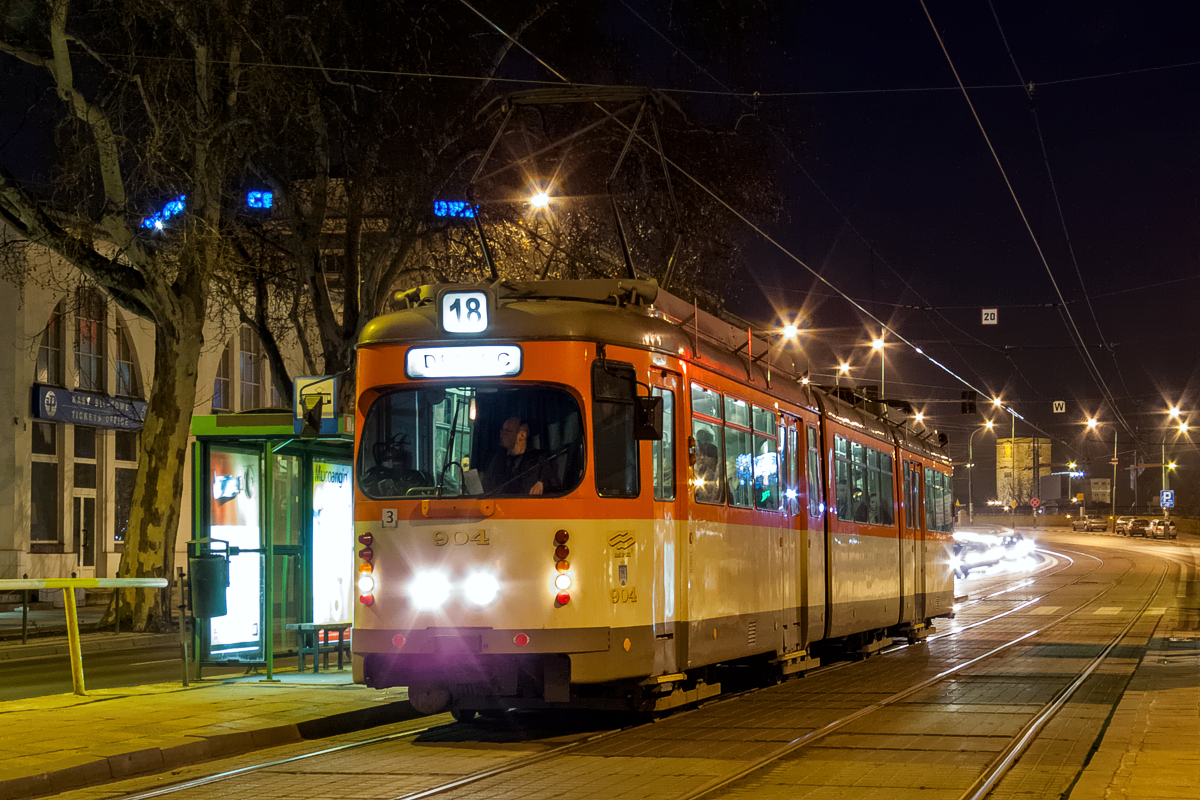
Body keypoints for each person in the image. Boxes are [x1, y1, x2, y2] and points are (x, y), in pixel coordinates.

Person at [484, 417, 548, 495]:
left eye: (507, 431)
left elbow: (553, 482)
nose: (502, 435)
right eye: (502, 431)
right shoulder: (497, 459)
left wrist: (542, 483)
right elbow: (486, 485)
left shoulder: (539, 458)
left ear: (522, 435)